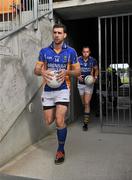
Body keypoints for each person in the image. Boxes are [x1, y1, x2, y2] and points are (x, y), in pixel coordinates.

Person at [34, 24, 80, 165]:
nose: (56, 35)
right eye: (55, 32)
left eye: (59, 33)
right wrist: (42, 72)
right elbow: (36, 69)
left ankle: (60, 150)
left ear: (64, 35)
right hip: (48, 90)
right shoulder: (44, 51)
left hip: (63, 89)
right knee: (49, 121)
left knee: (60, 120)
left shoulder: (71, 52)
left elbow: (77, 72)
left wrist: (67, 72)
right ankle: (58, 116)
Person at [78, 46, 99, 131]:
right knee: (83, 103)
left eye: (87, 52)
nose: (85, 53)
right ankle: (87, 114)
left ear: (89, 52)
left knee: (87, 102)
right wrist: (77, 76)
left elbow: (96, 69)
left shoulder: (93, 60)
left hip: (89, 84)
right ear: (82, 52)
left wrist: (95, 77)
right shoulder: (78, 59)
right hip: (80, 84)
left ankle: (85, 124)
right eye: (84, 52)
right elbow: (74, 69)